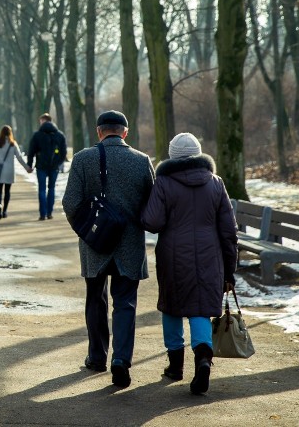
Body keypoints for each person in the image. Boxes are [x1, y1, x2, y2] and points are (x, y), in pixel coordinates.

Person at [62, 110, 154, 389]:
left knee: (95, 299)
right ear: (125, 132)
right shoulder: (141, 161)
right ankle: (121, 361)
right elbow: (152, 206)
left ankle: (97, 356)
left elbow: (70, 202)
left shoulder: (82, 159)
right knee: (125, 303)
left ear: (99, 131)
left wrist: (87, 230)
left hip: (95, 244)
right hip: (129, 244)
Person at [140, 132, 238, 395]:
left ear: (172, 155)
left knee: (172, 307)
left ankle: (175, 366)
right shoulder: (216, 183)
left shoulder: (163, 183)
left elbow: (152, 222)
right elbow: (229, 231)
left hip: (173, 254)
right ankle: (203, 358)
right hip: (210, 255)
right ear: (199, 153)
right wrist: (230, 269)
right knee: (200, 309)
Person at [26, 113, 67, 220]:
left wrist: (29, 165)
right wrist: (58, 163)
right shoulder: (60, 135)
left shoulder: (37, 135)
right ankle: (49, 213)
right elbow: (63, 153)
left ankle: (42, 214)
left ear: (44, 121)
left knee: (42, 189)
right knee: (52, 188)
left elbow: (31, 151)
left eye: (41, 120)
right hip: (54, 167)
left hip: (41, 166)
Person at [0, 125, 33, 219]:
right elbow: (19, 158)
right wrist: (27, 168)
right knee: (7, 191)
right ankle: (5, 211)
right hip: (9, 171)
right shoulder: (13, 144)